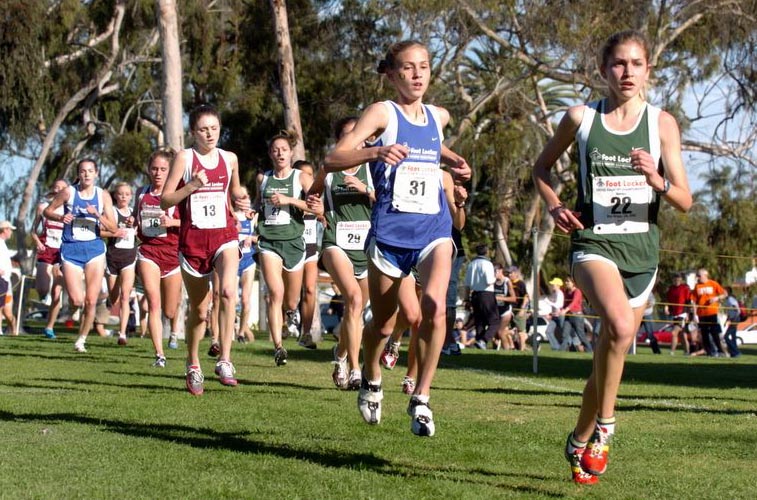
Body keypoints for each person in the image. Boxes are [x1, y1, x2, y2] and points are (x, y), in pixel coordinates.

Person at [532, 30, 692, 484]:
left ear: (647, 71)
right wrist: (555, 205)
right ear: (603, 70)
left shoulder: (662, 124)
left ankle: (578, 441)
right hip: (593, 245)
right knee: (620, 326)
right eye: (619, 64)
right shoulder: (581, 118)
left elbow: (685, 200)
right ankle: (606, 427)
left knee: (610, 351)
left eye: (636, 64)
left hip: (642, 252)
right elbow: (541, 168)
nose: (627, 72)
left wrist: (656, 178)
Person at [324, 39, 471, 437]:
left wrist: (453, 161)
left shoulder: (438, 116)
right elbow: (334, 159)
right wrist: (376, 153)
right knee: (384, 327)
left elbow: (429, 148)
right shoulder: (380, 113)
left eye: (423, 66)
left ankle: (421, 398)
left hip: (433, 230)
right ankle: (371, 376)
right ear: (392, 73)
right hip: (390, 232)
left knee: (435, 309)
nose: (417, 74)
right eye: (408, 68)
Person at [161, 104, 245, 395]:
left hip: (224, 235)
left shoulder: (230, 158)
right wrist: (193, 185)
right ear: (193, 132)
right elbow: (165, 201)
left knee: (227, 293)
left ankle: (225, 359)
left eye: (214, 128)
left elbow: (233, 192)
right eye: (203, 129)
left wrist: (241, 199)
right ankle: (193, 362)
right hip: (193, 241)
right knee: (199, 310)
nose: (210, 134)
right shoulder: (185, 158)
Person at [309, 116, 373, 389]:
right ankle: (356, 369)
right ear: (339, 141)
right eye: (348, 136)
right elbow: (311, 196)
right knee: (355, 300)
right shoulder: (329, 169)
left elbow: (391, 202)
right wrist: (316, 207)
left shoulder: (373, 169)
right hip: (336, 242)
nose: (355, 140)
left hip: (367, 245)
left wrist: (366, 190)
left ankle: (341, 355)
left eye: (359, 135)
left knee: (356, 310)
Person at [255, 130, 320, 367]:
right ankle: (278, 347)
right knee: (275, 294)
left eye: (284, 149)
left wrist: (289, 200)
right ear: (270, 154)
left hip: (294, 242)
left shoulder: (301, 178)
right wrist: (251, 210)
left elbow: (318, 208)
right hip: (269, 241)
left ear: (291, 152)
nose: (280, 153)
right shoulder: (263, 179)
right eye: (275, 149)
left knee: (291, 302)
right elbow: (257, 205)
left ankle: (291, 314)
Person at [44, 159, 119, 353]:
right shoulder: (69, 192)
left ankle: (81, 340)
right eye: (83, 171)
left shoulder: (102, 196)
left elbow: (113, 227)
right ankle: (74, 315)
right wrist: (61, 217)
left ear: (96, 173)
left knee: (91, 300)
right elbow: (47, 211)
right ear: (79, 173)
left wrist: (97, 215)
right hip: (71, 250)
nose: (86, 174)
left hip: (94, 250)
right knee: (77, 300)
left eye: (90, 171)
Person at [135, 149, 183, 368]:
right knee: (153, 302)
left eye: (163, 169)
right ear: (148, 169)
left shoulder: (178, 194)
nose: (158, 173)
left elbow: (191, 223)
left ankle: (172, 331)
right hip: (149, 253)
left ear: (170, 171)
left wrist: (172, 223)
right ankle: (159, 355)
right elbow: (139, 226)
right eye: (154, 168)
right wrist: (132, 226)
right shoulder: (142, 194)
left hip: (173, 256)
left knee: (170, 310)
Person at [30, 179, 69, 339]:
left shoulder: (69, 209)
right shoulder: (42, 207)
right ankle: (43, 297)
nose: (58, 189)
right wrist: (38, 242)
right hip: (46, 250)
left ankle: (50, 327)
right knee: (42, 288)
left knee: (57, 293)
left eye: (62, 187)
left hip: (62, 251)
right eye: (56, 186)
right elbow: (33, 231)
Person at [101, 182, 138, 346]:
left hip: (129, 257)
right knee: (114, 297)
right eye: (120, 194)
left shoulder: (134, 213)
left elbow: (141, 231)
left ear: (131, 196)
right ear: (115, 196)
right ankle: (110, 298)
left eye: (127, 194)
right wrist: (115, 232)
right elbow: (100, 230)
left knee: (125, 296)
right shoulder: (112, 212)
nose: (123, 196)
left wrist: (135, 225)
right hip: (113, 256)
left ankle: (122, 333)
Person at [293, 159, 321, 349]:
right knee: (290, 294)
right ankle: (285, 323)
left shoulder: (317, 199)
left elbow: (324, 212)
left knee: (310, 289)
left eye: (311, 175)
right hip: (290, 247)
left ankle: (306, 333)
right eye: (304, 174)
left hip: (310, 247)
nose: (308, 179)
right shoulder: (291, 197)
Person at [233, 186, 258, 344]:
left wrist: (252, 239)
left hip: (249, 260)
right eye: (239, 197)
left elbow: (262, 235)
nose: (243, 200)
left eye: (245, 197)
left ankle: (241, 332)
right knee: (233, 299)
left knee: (245, 300)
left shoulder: (253, 216)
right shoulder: (231, 215)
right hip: (233, 261)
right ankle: (231, 330)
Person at [689, 268, 727, 357]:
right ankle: (710, 352)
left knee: (715, 333)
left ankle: (720, 351)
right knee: (704, 334)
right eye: (697, 276)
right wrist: (694, 315)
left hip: (712, 312)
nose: (698, 277)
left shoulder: (713, 283)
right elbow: (693, 301)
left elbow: (724, 294)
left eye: (699, 275)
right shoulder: (697, 286)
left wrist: (716, 298)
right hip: (701, 314)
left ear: (705, 275)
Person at [559, 276, 593, 352]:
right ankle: (561, 351)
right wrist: (561, 310)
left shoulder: (577, 291)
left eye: (568, 281)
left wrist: (565, 310)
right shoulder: (567, 291)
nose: (566, 283)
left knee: (581, 334)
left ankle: (589, 350)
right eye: (566, 281)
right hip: (568, 316)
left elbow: (573, 303)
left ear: (573, 283)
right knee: (564, 334)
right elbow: (566, 303)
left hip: (577, 316)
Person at [664, 273, 691, 355]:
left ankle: (672, 351)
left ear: (681, 280)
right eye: (675, 280)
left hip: (682, 314)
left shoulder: (684, 288)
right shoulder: (671, 289)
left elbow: (688, 302)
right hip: (674, 314)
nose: (676, 281)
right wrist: (667, 308)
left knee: (674, 333)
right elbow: (668, 301)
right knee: (682, 335)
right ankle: (687, 352)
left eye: (678, 280)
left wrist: (687, 314)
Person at [493, 263, 519, 350]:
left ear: (500, 271)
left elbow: (513, 298)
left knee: (500, 332)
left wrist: (500, 298)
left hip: (506, 311)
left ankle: (506, 350)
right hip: (496, 310)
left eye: (495, 271)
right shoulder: (492, 281)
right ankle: (511, 333)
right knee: (494, 332)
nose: (494, 273)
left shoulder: (507, 282)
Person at [0, 221, 18, 336]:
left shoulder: (4, 244)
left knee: (8, 312)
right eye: (10, 229)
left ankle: (14, 332)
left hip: (7, 281)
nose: (11, 232)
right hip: (1, 279)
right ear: (5, 230)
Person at [543, 277, 565, 351]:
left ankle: (567, 347)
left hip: (560, 316)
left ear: (558, 285)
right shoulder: (554, 293)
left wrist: (547, 301)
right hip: (555, 316)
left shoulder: (560, 294)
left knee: (564, 334)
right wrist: (550, 313)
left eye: (553, 284)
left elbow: (558, 305)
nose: (552, 286)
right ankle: (555, 347)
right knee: (548, 332)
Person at [723, 286, 741, 358]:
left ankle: (736, 352)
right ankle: (734, 353)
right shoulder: (727, 300)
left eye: (724, 292)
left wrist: (735, 317)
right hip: (733, 319)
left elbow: (736, 308)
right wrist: (727, 320)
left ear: (727, 292)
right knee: (733, 337)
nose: (723, 293)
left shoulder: (730, 299)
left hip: (735, 319)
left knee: (726, 336)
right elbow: (730, 311)